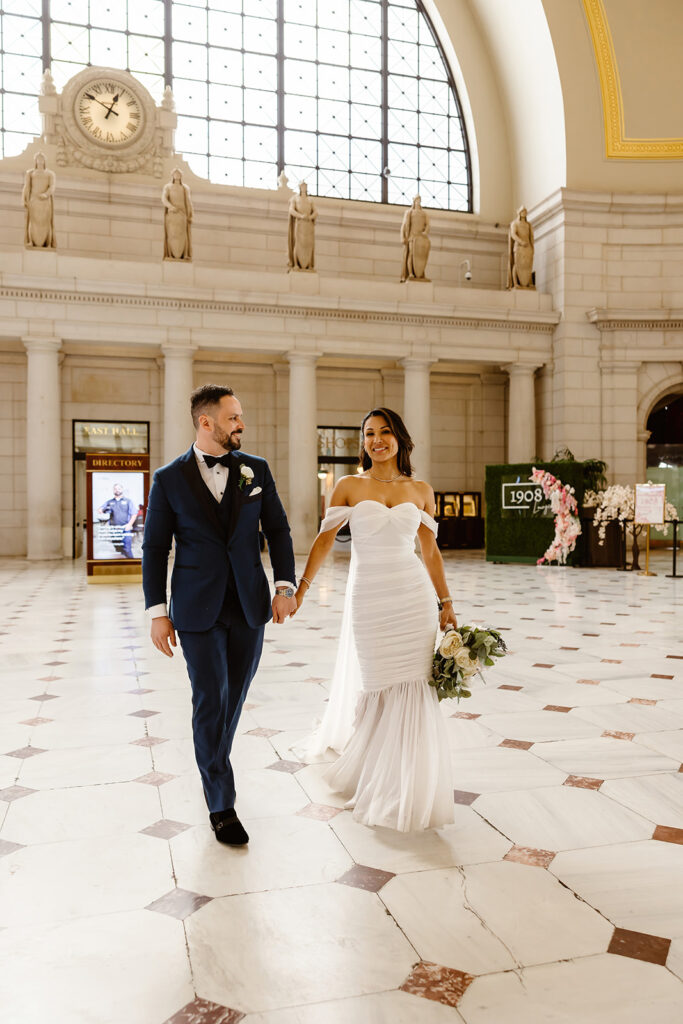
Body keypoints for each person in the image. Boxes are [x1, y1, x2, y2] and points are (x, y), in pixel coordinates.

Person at [142, 384, 297, 846]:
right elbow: (154, 548)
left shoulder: (257, 471)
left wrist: (285, 585)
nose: (241, 424)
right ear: (205, 422)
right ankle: (221, 804)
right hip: (195, 608)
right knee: (211, 698)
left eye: (241, 416)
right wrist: (157, 612)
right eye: (233, 417)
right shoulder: (169, 479)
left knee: (234, 700)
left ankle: (213, 759)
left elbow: (280, 530)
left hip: (249, 605)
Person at [293, 407, 456, 831]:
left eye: (385, 432)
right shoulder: (348, 485)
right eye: (369, 433)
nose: (377, 440)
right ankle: (373, 774)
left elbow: (430, 551)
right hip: (369, 597)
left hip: (412, 597)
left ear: (400, 438)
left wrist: (446, 602)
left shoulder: (421, 489)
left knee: (416, 685)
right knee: (378, 682)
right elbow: (325, 540)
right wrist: (303, 588)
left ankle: (410, 780)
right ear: (361, 441)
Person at [97, 482, 138, 558]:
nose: (117, 490)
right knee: (118, 548)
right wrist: (101, 510)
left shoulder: (128, 501)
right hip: (114, 529)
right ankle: (123, 561)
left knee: (127, 549)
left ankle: (131, 563)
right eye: (115, 489)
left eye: (119, 488)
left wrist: (130, 524)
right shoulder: (110, 502)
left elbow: (134, 513)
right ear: (113, 490)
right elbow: (100, 509)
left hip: (125, 528)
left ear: (122, 489)